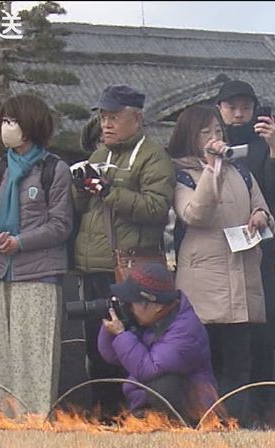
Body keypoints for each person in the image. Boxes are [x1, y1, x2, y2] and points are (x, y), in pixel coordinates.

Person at [72, 84, 176, 417]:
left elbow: (157, 208)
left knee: (126, 345)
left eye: (114, 117)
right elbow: (85, 207)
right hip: (93, 266)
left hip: (129, 270)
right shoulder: (99, 154)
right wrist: (81, 188)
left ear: (136, 118)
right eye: (103, 117)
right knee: (95, 347)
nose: (106, 125)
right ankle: (103, 414)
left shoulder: (153, 156)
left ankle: (130, 416)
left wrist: (109, 190)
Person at [168, 105, 271, 420]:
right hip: (203, 283)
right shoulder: (183, 175)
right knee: (205, 362)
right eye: (205, 132)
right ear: (190, 137)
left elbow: (264, 210)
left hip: (241, 277)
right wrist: (211, 171)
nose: (215, 138)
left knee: (239, 363)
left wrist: (260, 216)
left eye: (218, 131)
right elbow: (195, 214)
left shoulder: (240, 171)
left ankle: (234, 423)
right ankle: (205, 422)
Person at [0, 94, 73, 417]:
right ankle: (6, 416)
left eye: (12, 121)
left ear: (30, 126)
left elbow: (60, 225)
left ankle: (35, 417)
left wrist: (20, 242)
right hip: (1, 270)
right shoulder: (0, 167)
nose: (6, 127)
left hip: (39, 273)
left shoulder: (53, 169)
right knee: (3, 353)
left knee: (35, 354)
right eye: (3, 120)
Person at [214, 80, 275, 416]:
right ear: (220, 108)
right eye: (232, 107)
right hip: (219, 253)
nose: (239, 114)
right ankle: (222, 409)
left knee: (264, 330)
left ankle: (261, 408)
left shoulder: (263, 146)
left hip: (260, 251)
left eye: (245, 106)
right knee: (224, 336)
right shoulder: (211, 141)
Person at [96, 262, 217, 423]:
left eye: (133, 302)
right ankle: (144, 419)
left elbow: (148, 368)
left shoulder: (185, 331)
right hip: (148, 403)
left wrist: (121, 334)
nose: (129, 307)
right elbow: (114, 356)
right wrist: (111, 328)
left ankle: (174, 425)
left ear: (156, 305)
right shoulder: (151, 320)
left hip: (193, 410)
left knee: (166, 384)